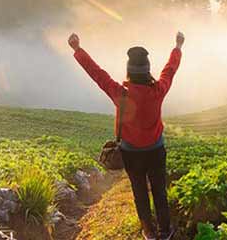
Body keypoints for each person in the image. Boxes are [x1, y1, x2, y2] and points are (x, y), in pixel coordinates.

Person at [68, 31, 182, 240]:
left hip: (131, 154)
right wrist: (177, 47)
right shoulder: (158, 90)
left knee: (139, 192)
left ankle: (149, 232)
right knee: (159, 191)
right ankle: (165, 232)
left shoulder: (120, 93)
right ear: (148, 70)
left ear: (129, 71)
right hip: (156, 150)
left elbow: (97, 73)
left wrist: (77, 49)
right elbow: (170, 70)